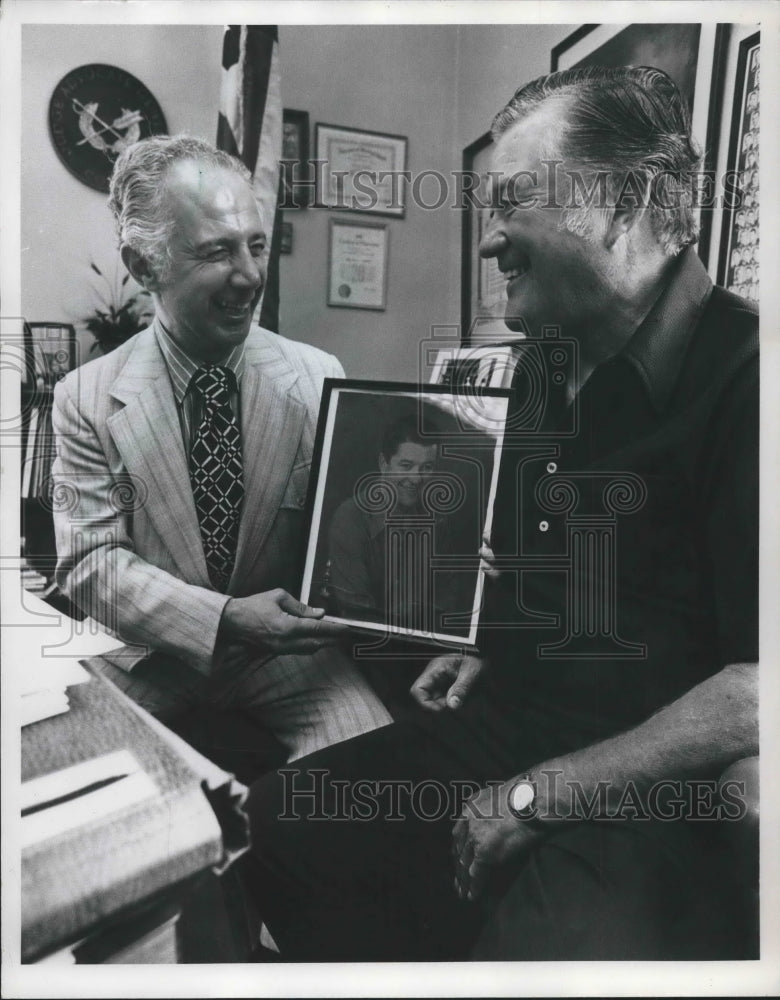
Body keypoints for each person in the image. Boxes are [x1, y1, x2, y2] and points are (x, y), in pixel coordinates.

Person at [241, 66, 758, 961]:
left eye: (514, 204)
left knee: (538, 953)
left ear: (627, 204)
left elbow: (760, 688)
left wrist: (541, 795)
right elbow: (540, 568)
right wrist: (485, 642)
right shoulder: (541, 369)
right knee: (281, 822)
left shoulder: (753, 377)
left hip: (659, 785)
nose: (491, 246)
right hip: (517, 724)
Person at [51, 135, 391, 763]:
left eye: (256, 245)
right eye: (217, 251)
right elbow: (89, 566)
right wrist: (226, 616)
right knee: (68, 786)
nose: (251, 275)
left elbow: (355, 529)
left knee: (366, 772)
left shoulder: (316, 377)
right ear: (144, 265)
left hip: (286, 658)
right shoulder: (86, 397)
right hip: (151, 656)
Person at [327, 414, 469, 635]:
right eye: (406, 465)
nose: (416, 479)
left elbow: (448, 600)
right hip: (360, 647)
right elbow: (355, 615)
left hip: (421, 647)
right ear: (384, 464)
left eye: (427, 467)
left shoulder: (437, 520)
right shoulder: (349, 518)